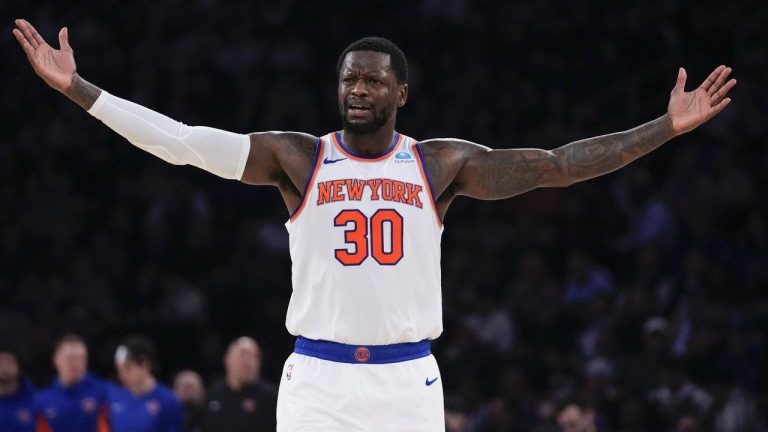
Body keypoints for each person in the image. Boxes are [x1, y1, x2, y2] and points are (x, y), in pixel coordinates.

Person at [12, 18, 736, 431]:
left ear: (401, 92)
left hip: (406, 381)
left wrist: (664, 128)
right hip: (316, 380)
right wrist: (79, 89)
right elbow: (184, 142)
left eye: (373, 79)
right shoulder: (298, 158)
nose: (358, 88)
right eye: (349, 78)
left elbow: (557, 165)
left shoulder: (439, 163)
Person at [34, 334, 110, 432]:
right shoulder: (42, 401)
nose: (75, 363)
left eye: (80, 358)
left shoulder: (104, 393)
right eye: (69, 358)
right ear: (56, 360)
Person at [109, 335, 183, 432]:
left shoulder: (168, 401)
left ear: (144, 365)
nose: (122, 374)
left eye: (128, 368)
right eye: (119, 369)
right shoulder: (114, 397)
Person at [203, 337, 277, 432]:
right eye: (243, 354)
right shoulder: (213, 395)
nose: (249, 360)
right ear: (227, 359)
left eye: (255, 356)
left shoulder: (271, 398)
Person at [0, 347, 36, 432]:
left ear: (18, 365)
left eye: (9, 362)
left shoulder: (35, 400)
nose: (4, 368)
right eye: (0, 364)